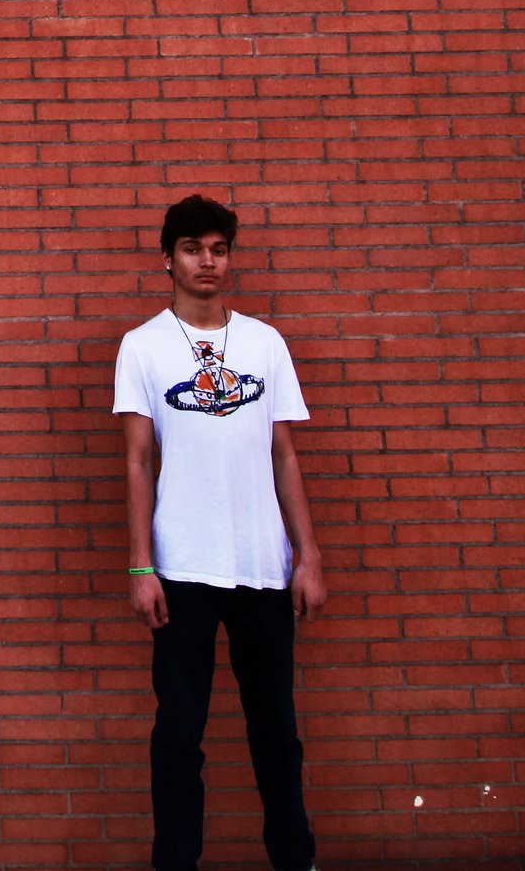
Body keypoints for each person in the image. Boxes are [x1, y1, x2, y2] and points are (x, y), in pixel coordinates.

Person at [114, 193, 325, 871]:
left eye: (219, 248)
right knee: (179, 735)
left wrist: (308, 556)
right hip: (182, 569)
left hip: (263, 566)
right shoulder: (143, 346)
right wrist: (141, 566)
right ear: (168, 259)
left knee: (277, 733)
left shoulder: (265, 342)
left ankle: (295, 860)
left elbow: (284, 453)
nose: (207, 261)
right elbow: (138, 459)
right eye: (192, 249)